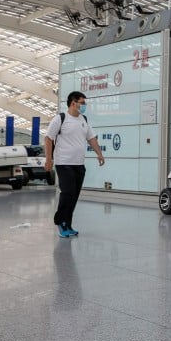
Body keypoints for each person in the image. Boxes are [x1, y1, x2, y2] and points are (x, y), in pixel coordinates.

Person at [44, 91, 105, 238]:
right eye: (82, 102)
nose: (84, 105)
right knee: (68, 193)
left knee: (74, 195)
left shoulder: (83, 119)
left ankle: (68, 224)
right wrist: (49, 159)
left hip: (79, 164)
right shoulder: (60, 118)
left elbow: (91, 138)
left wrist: (99, 153)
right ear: (73, 103)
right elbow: (48, 138)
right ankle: (60, 222)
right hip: (64, 163)